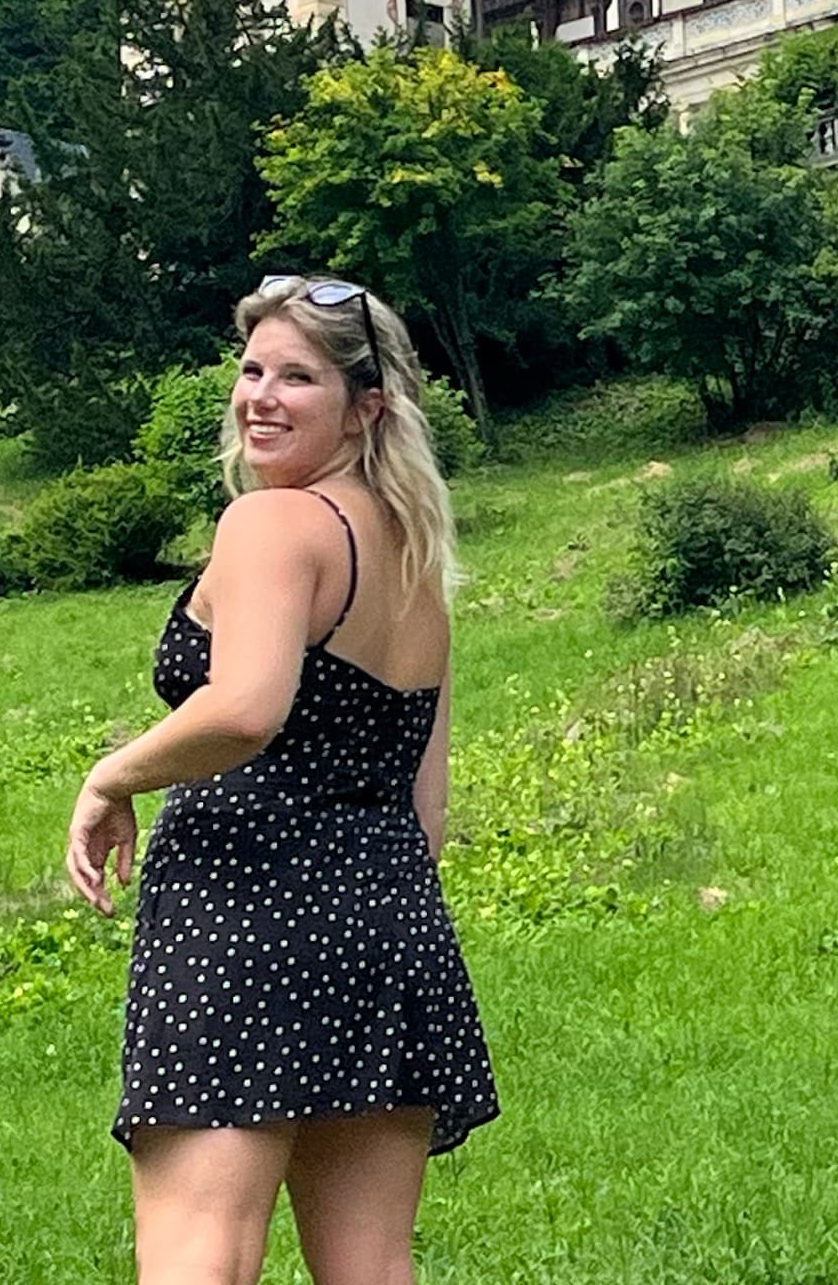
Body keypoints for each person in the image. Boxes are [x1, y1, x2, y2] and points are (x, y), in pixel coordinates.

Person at [69, 278, 495, 1283]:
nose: (257, 394)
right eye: (252, 368)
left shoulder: (272, 527)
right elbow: (424, 814)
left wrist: (111, 776)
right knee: (371, 1270)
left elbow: (247, 707)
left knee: (198, 1257)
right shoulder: (414, 564)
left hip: (242, 913)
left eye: (296, 376)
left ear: (367, 407)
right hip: (386, 919)